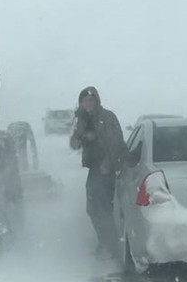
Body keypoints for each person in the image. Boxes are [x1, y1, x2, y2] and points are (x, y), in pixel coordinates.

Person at [70, 86, 127, 259]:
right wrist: (77, 140)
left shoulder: (106, 117)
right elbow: (75, 140)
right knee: (93, 208)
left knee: (102, 208)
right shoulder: (82, 118)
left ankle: (112, 247)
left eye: (91, 100)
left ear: (97, 101)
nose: (87, 103)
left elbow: (116, 142)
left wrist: (107, 164)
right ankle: (105, 242)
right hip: (94, 168)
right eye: (84, 101)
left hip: (106, 168)